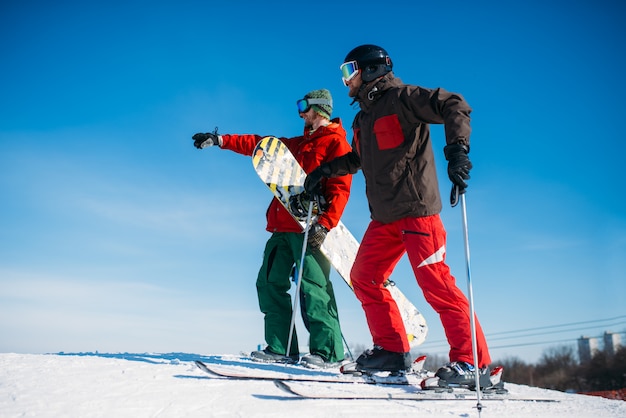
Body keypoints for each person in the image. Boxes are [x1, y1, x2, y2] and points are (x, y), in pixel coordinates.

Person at [304, 45, 492, 386]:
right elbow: (360, 158)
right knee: (364, 276)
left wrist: (457, 150)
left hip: (417, 211)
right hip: (385, 217)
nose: (345, 80)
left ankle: (471, 362)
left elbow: (455, 104)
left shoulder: (404, 98)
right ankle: (391, 349)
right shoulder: (363, 117)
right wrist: (326, 170)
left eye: (349, 71)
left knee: (436, 285)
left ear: (370, 70)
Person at [192, 89, 352, 368]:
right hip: (280, 227)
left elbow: (340, 189)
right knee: (268, 283)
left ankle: (327, 352)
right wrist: (220, 140)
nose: (300, 112)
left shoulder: (336, 145)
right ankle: (280, 347)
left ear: (319, 109)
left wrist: (325, 225)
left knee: (314, 288)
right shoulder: (296, 143)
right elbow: (258, 145)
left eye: (304, 106)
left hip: (310, 228)